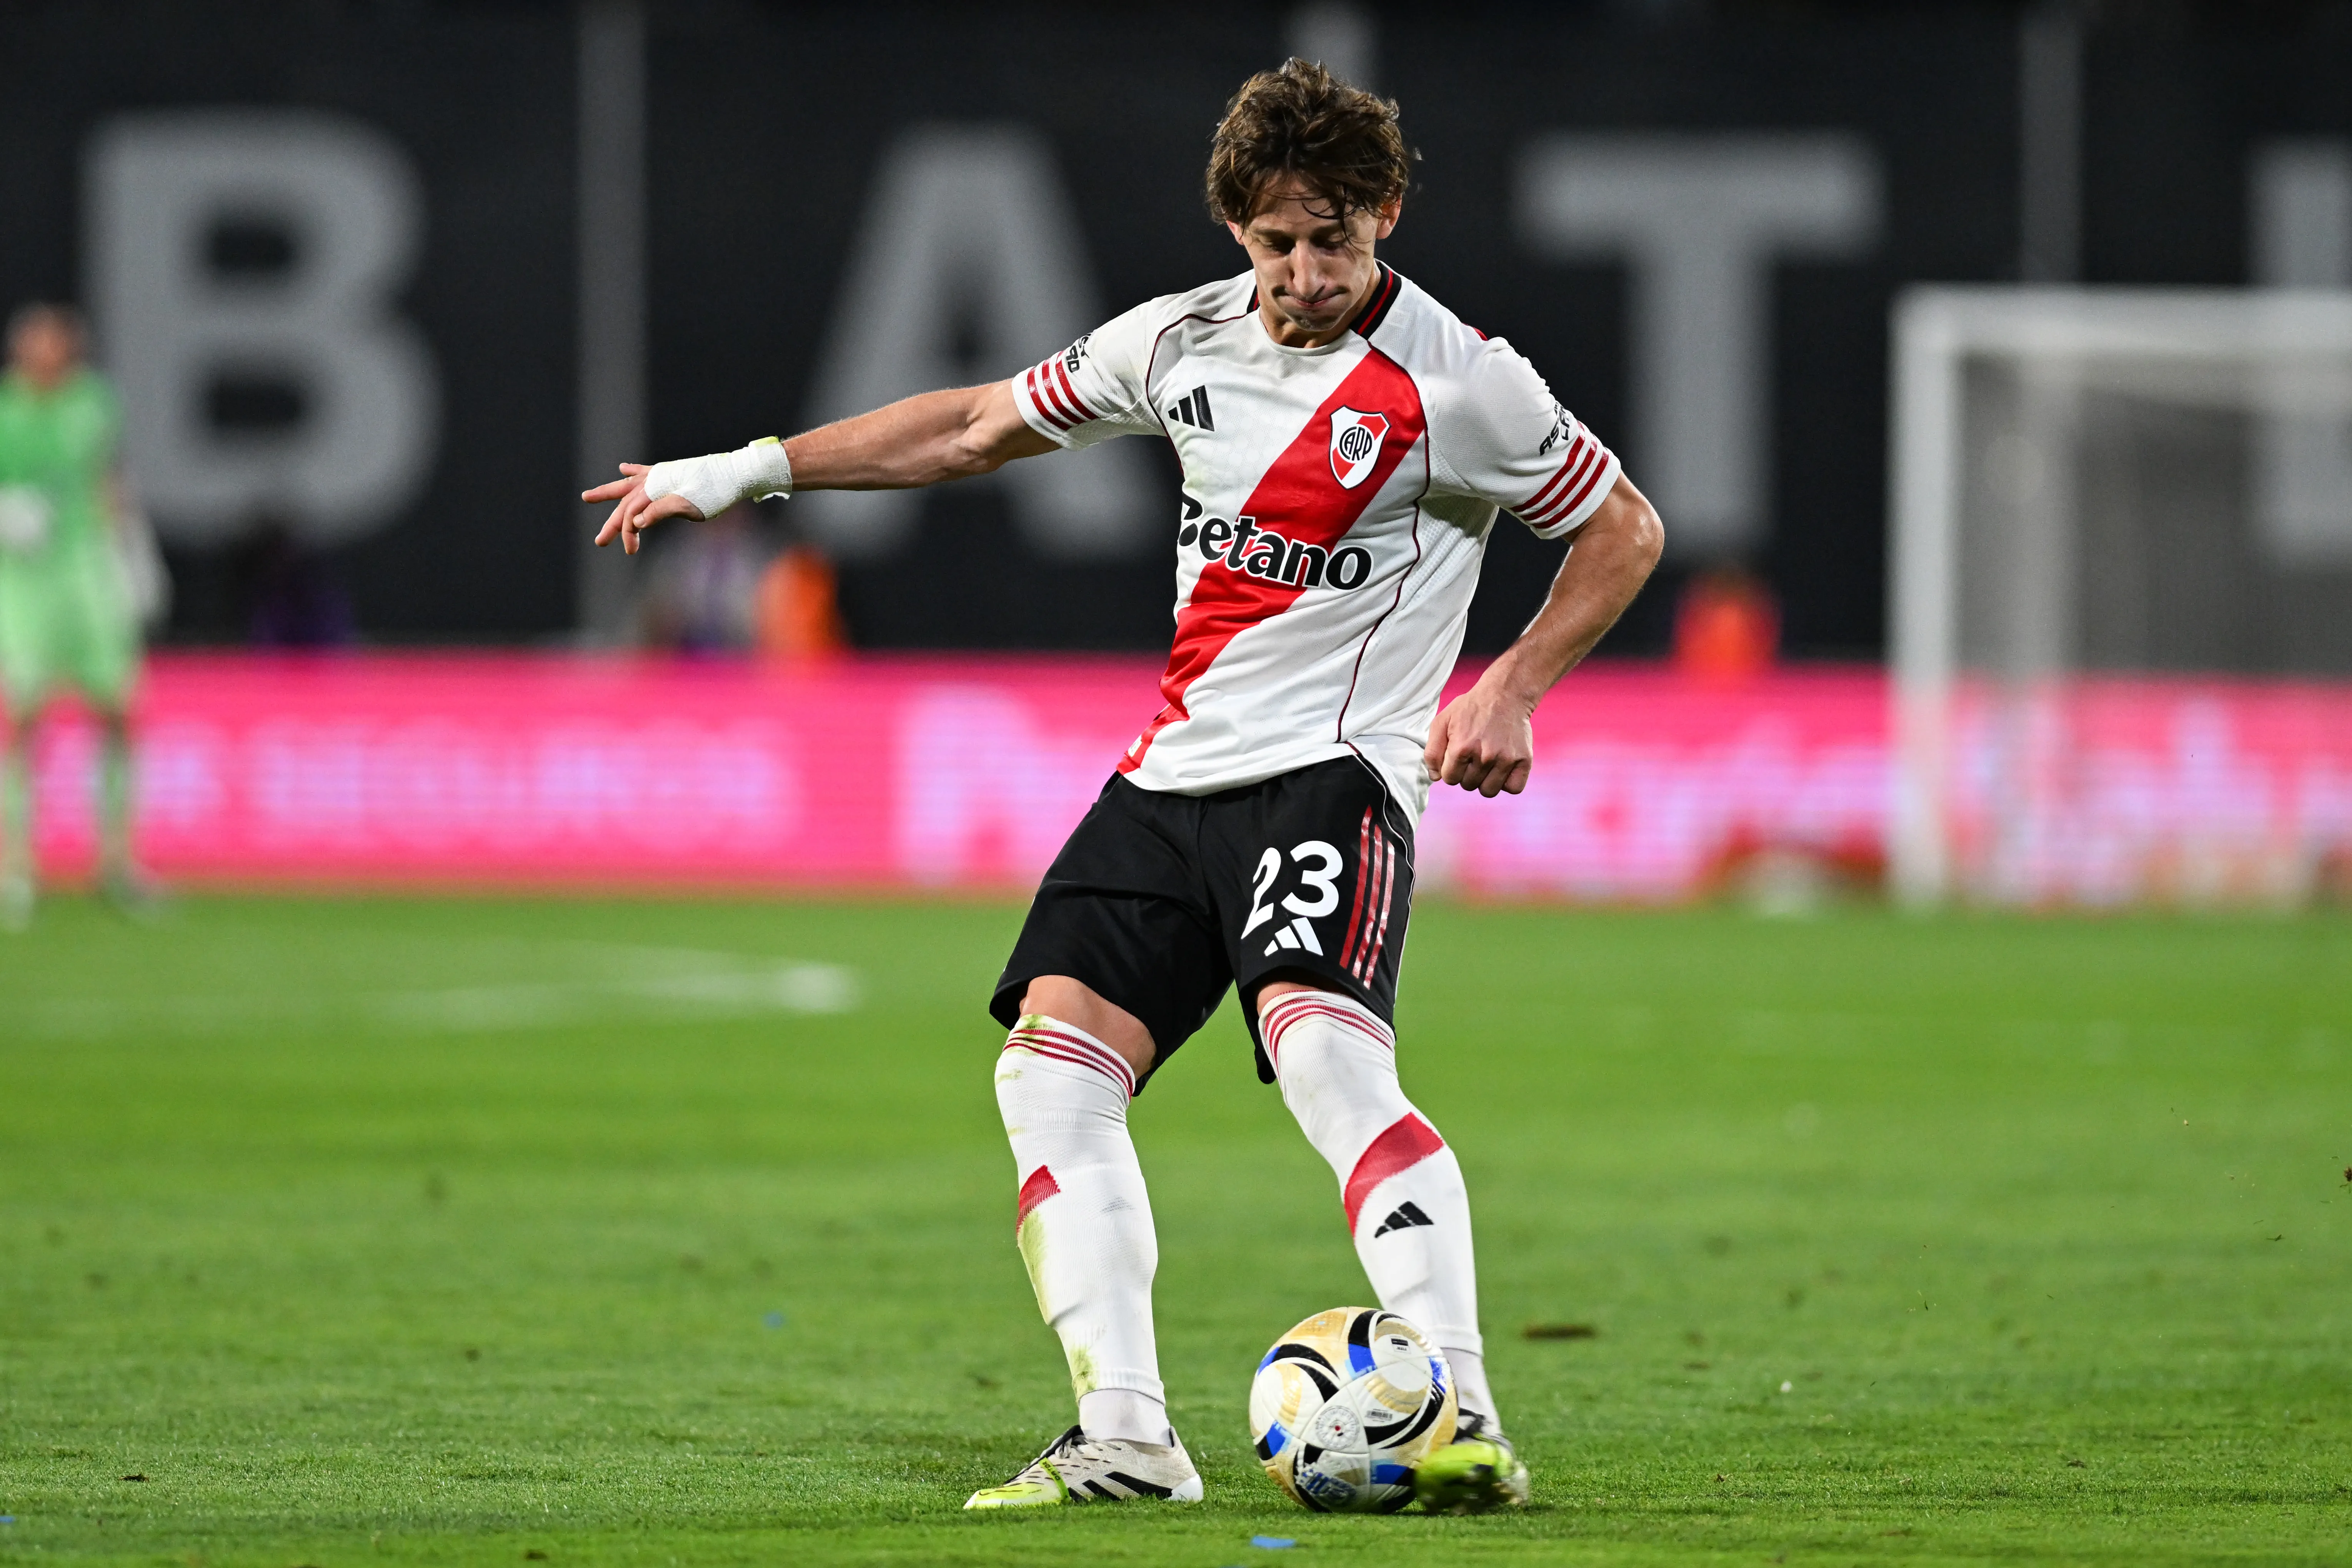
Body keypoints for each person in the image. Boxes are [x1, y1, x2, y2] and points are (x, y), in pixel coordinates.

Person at [585, 60, 1662, 1513]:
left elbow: (1622, 529)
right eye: (1277, 242)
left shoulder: (1461, 381)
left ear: (1386, 218)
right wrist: (743, 470)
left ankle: (1460, 1406)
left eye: (1333, 240)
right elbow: (971, 427)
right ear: (1235, 229)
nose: (1305, 274)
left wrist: (1511, 684)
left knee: (1332, 1063)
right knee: (1045, 1074)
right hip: (1167, 784)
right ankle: (1128, 1435)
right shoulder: (1176, 344)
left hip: (1329, 778)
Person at [0, 303, 149, 926]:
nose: (42, 352)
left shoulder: (92, 402)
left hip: (85, 570)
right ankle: (16, 866)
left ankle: (115, 862)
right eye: (31, 343)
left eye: (53, 343)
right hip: (21, 578)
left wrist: (130, 555)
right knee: (24, 713)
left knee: (120, 709)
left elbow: (104, 480)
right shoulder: (5, 412)